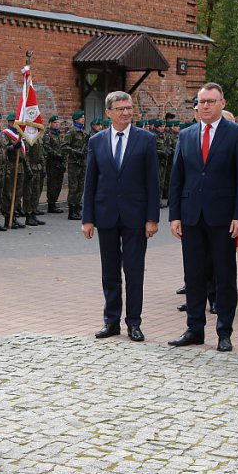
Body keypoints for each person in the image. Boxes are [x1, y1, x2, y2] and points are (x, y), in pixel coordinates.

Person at [167, 82, 238, 353]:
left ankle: (224, 331)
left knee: (224, 275)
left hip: (223, 218)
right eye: (202, 102)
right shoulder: (186, 134)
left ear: (222, 103)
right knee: (193, 275)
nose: (205, 106)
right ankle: (194, 329)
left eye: (211, 101)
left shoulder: (237, 134)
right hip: (192, 216)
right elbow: (177, 177)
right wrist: (175, 215)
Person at [81, 91, 160, 342]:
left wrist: (152, 218)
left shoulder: (146, 139)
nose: (126, 112)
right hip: (106, 216)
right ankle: (111, 321)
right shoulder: (97, 141)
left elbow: (153, 182)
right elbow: (91, 181)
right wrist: (87, 218)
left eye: (129, 108)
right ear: (108, 113)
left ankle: (134, 323)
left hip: (136, 217)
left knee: (134, 272)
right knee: (110, 272)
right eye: (120, 108)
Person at [65, 110, 89, 220]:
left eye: (83, 117)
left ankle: (77, 208)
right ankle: (71, 210)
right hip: (74, 163)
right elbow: (64, 146)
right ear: (76, 120)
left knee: (80, 186)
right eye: (81, 117)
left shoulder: (84, 133)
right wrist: (75, 152)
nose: (83, 119)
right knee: (73, 187)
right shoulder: (72, 132)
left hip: (82, 163)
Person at [44, 116, 66, 213]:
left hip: (60, 163)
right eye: (55, 122)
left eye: (58, 122)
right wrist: (56, 154)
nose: (57, 124)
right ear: (50, 123)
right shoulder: (48, 134)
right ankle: (51, 204)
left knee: (58, 184)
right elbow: (46, 147)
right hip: (52, 163)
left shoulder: (59, 135)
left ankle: (54, 202)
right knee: (52, 184)